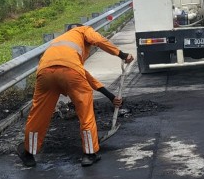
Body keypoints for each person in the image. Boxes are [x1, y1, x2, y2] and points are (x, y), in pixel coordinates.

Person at [16, 24, 134, 168]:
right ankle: (89, 154)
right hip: (70, 74)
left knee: (38, 115)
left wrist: (111, 97)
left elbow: (85, 76)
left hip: (44, 74)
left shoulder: (59, 42)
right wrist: (122, 55)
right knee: (85, 113)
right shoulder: (82, 30)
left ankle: (28, 152)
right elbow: (99, 40)